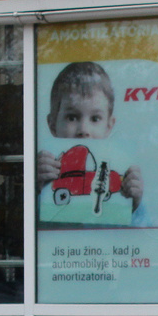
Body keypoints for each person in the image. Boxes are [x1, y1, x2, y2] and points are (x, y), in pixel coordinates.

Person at [37, 61, 145, 223]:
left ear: (109, 126)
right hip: (58, 247)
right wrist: (36, 190)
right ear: (52, 124)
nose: (84, 130)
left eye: (95, 118)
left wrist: (134, 206)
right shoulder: (45, 172)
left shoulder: (122, 171)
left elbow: (145, 239)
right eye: (72, 117)